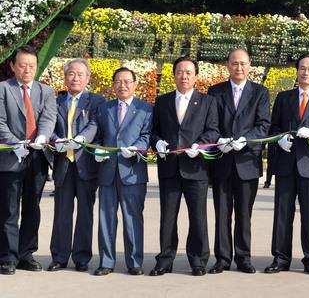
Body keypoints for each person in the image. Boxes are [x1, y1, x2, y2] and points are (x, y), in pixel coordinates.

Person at [265, 54, 309, 276]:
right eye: (302, 68)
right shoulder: (284, 97)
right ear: (296, 71)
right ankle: (280, 257)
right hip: (286, 164)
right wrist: (280, 139)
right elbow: (273, 128)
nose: (306, 72)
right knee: (282, 213)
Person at [149, 57, 220, 277]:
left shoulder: (207, 102)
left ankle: (198, 260)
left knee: (198, 216)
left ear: (196, 76)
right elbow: (154, 131)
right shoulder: (162, 101)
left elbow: (214, 131)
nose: (184, 76)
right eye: (180, 71)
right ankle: (165, 259)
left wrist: (200, 145)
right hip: (169, 167)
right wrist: (157, 142)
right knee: (168, 216)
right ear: (174, 75)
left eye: (189, 72)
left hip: (195, 167)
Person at [207, 49, 270, 274]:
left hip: (247, 162)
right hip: (222, 161)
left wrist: (247, 140)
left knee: (244, 214)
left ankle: (243, 257)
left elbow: (263, 125)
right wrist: (218, 140)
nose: (239, 67)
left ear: (250, 65)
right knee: (222, 213)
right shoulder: (215, 92)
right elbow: (211, 125)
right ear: (227, 65)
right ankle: (222, 258)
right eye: (234, 63)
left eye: (243, 63)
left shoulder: (260, 92)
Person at [0, 45, 57, 275]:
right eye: (22, 65)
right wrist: (15, 143)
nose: (27, 70)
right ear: (13, 66)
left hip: (37, 157)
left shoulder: (46, 91)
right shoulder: (3, 89)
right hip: (10, 157)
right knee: (8, 209)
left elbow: (49, 117)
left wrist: (42, 137)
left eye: (31, 66)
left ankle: (26, 254)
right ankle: (7, 256)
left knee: (32, 207)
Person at [93, 68, 153, 276]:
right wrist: (98, 149)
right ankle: (106, 261)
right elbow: (99, 135)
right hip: (107, 172)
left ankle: (135, 262)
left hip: (132, 172)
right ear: (113, 85)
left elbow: (147, 135)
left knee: (133, 218)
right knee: (106, 218)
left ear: (136, 84)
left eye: (127, 81)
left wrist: (136, 148)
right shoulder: (104, 108)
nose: (123, 85)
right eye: (118, 81)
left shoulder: (146, 109)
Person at [47, 59, 105, 272]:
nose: (75, 78)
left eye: (80, 74)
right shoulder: (56, 102)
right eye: (71, 74)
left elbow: (96, 124)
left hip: (85, 164)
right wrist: (56, 141)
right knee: (61, 211)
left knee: (85, 212)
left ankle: (81, 257)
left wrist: (81, 139)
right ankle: (59, 256)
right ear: (65, 77)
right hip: (63, 163)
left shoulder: (96, 101)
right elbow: (48, 124)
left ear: (88, 78)